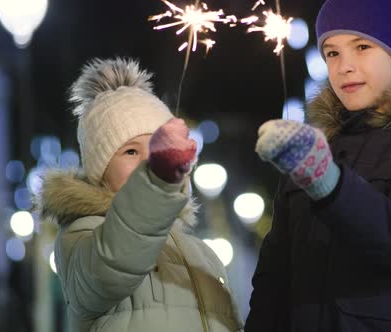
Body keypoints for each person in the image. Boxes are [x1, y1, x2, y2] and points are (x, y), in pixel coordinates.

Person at [247, 0, 391, 330]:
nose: (344, 66)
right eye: (332, 53)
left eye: (362, 46)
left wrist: (327, 181)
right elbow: (274, 278)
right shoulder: (315, 152)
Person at [34, 58, 242, 331]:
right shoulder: (84, 235)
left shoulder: (200, 252)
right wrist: (156, 183)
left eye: (157, 150)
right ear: (100, 169)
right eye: (131, 151)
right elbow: (110, 267)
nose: (147, 162)